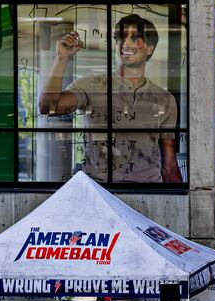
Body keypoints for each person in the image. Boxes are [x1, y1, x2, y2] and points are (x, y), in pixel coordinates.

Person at [38, 13, 181, 183]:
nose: (126, 43)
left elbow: (169, 164)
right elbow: (48, 108)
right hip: (99, 193)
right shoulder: (91, 85)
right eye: (121, 37)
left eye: (135, 38)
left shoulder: (165, 100)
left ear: (150, 48)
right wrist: (61, 59)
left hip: (149, 193)